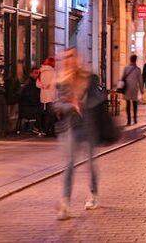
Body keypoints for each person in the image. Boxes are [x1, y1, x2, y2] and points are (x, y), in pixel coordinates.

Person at [55, 48, 102, 220]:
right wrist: (71, 105)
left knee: (91, 163)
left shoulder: (89, 78)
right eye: (65, 57)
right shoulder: (61, 82)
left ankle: (94, 194)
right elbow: (57, 105)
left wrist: (82, 102)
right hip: (70, 127)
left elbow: (99, 98)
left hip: (88, 126)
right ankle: (65, 204)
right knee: (69, 164)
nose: (68, 60)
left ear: (77, 59)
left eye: (71, 56)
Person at [36, 57, 57, 135]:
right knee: (51, 113)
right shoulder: (53, 72)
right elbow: (55, 83)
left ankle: (44, 129)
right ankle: (50, 130)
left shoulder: (40, 72)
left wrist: (44, 86)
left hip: (43, 96)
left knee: (46, 113)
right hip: (51, 95)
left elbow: (37, 84)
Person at [121, 55, 142, 126]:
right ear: (135, 60)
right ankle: (135, 118)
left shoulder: (126, 68)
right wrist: (141, 89)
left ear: (130, 60)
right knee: (134, 103)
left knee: (128, 104)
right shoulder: (138, 69)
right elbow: (140, 80)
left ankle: (129, 120)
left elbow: (123, 77)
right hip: (134, 88)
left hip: (127, 87)